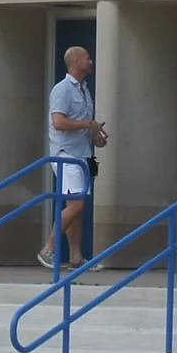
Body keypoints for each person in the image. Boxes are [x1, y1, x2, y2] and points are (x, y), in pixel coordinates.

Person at [42, 44, 107, 270]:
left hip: (82, 155)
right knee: (77, 203)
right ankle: (48, 249)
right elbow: (59, 122)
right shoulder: (63, 89)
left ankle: (77, 257)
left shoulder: (84, 89)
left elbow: (82, 124)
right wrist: (88, 124)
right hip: (65, 156)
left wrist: (95, 135)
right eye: (87, 58)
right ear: (77, 61)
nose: (91, 62)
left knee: (76, 207)